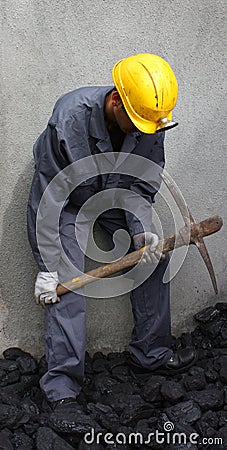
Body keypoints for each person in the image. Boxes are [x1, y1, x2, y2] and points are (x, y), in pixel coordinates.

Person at [27, 53, 196, 410]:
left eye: (146, 127)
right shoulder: (69, 119)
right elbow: (48, 196)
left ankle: (151, 353)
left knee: (152, 261)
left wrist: (141, 233)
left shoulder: (148, 120)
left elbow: (141, 183)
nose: (140, 131)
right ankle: (62, 386)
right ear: (116, 99)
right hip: (67, 200)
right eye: (135, 123)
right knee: (67, 283)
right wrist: (47, 265)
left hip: (116, 194)